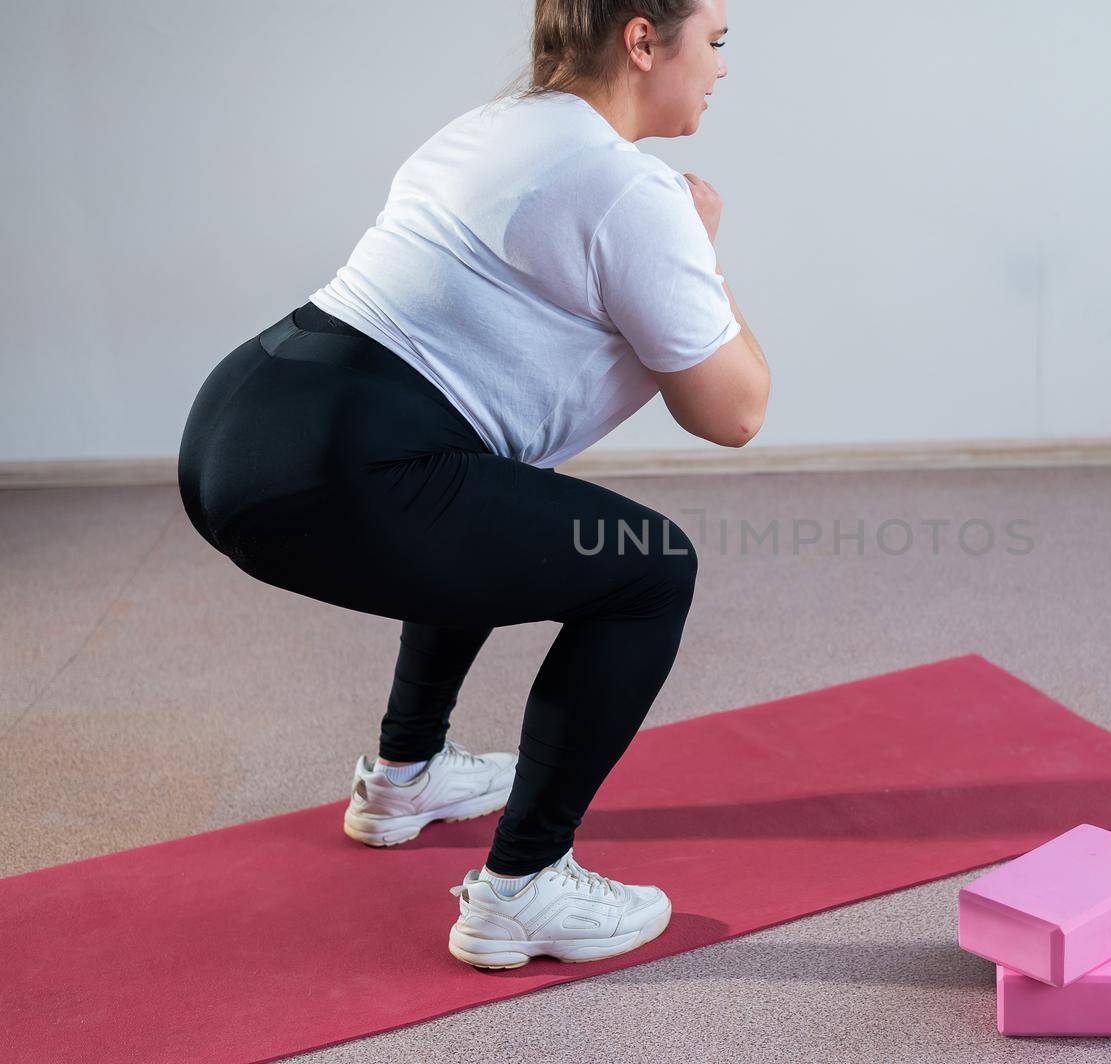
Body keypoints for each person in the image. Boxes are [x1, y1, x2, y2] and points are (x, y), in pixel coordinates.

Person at [176, 0, 767, 970]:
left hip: (241, 419)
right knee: (650, 568)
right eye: (716, 40)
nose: (723, 68)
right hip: (339, 465)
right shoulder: (631, 190)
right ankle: (522, 888)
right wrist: (703, 248)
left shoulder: (495, 126)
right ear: (642, 39)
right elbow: (733, 410)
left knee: (488, 495)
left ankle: (406, 775)